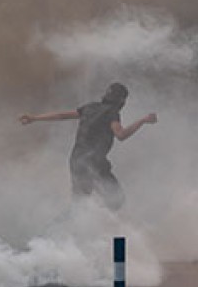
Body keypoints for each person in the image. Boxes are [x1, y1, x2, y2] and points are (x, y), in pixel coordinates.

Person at [19, 82, 157, 211]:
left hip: (76, 160)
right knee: (116, 200)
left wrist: (35, 118)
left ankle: (73, 232)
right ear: (121, 101)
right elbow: (120, 135)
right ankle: (108, 229)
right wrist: (142, 121)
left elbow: (62, 115)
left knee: (80, 204)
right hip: (94, 162)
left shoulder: (90, 107)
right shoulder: (111, 113)